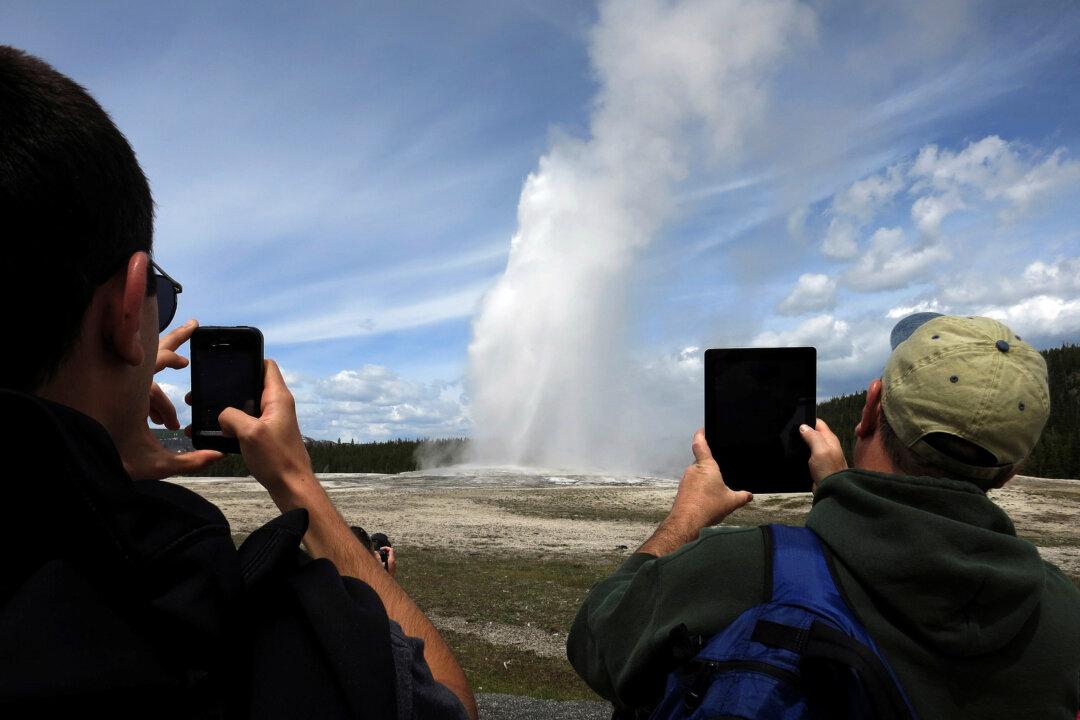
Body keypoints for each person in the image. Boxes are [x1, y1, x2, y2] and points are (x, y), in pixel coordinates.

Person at [0, 46, 475, 719]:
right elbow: (449, 705)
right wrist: (295, 481)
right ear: (128, 303)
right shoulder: (196, 612)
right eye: (160, 294)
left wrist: (92, 469)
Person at [567, 313, 1080, 718]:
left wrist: (684, 521)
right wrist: (837, 491)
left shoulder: (739, 570)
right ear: (1013, 470)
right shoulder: (1061, 612)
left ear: (871, 407)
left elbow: (596, 642)